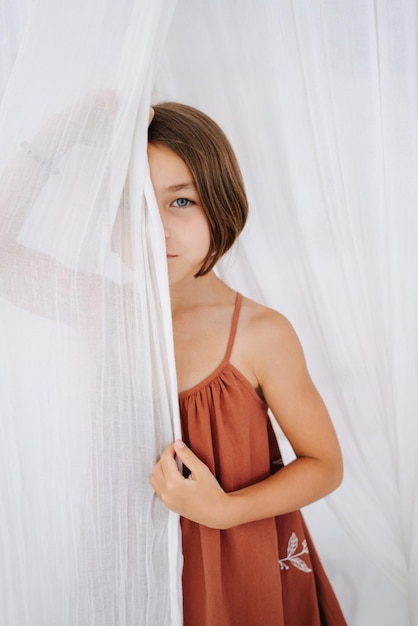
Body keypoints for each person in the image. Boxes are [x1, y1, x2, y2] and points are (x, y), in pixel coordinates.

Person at [148, 102, 347, 626]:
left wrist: (223, 511)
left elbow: (325, 465)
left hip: (238, 561)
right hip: (139, 557)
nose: (157, 228)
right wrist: (82, 123)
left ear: (221, 201)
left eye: (181, 201)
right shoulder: (105, 314)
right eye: (134, 205)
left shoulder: (260, 334)